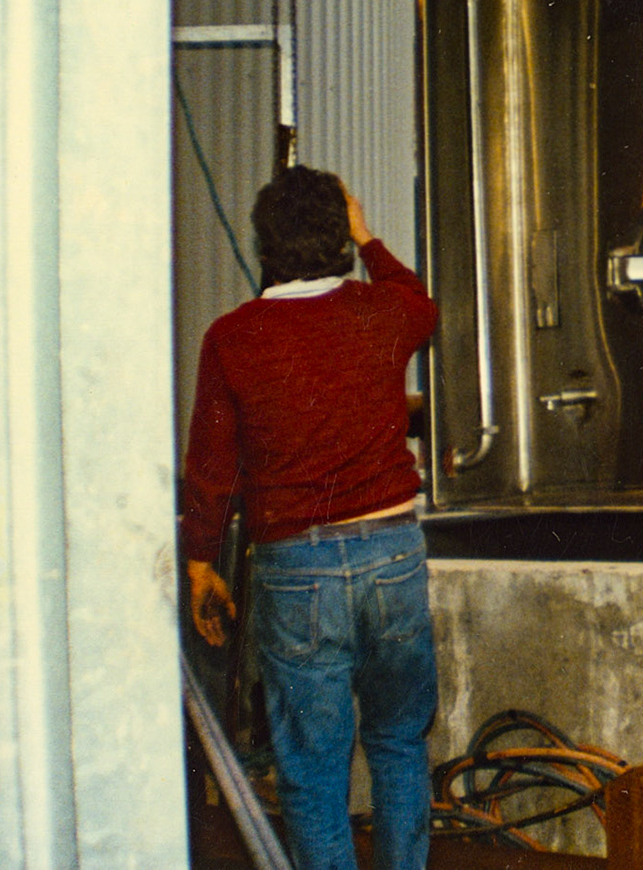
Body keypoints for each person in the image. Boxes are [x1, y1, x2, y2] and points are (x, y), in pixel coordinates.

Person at [180, 166, 441, 870]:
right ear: (341, 240)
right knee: (397, 740)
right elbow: (421, 300)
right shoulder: (382, 311)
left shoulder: (233, 337)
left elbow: (211, 467)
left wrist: (202, 563)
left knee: (313, 765)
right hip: (393, 553)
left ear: (266, 246)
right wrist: (369, 236)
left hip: (297, 569)